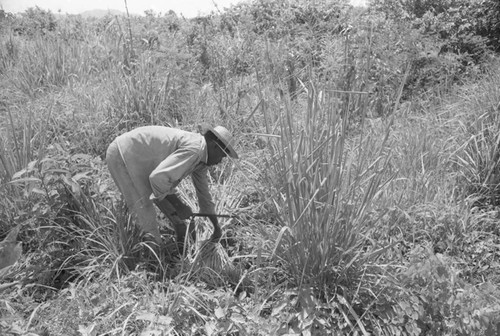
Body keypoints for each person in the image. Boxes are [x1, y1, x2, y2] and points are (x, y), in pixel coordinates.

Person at [105, 125, 238, 252]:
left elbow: (204, 198)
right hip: (122, 155)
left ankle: (178, 254)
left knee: (180, 221)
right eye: (222, 156)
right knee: (144, 210)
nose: (220, 161)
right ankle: (154, 264)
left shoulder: (201, 161)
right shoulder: (195, 150)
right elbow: (158, 179)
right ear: (215, 146)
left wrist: (216, 227)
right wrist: (179, 206)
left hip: (143, 162)